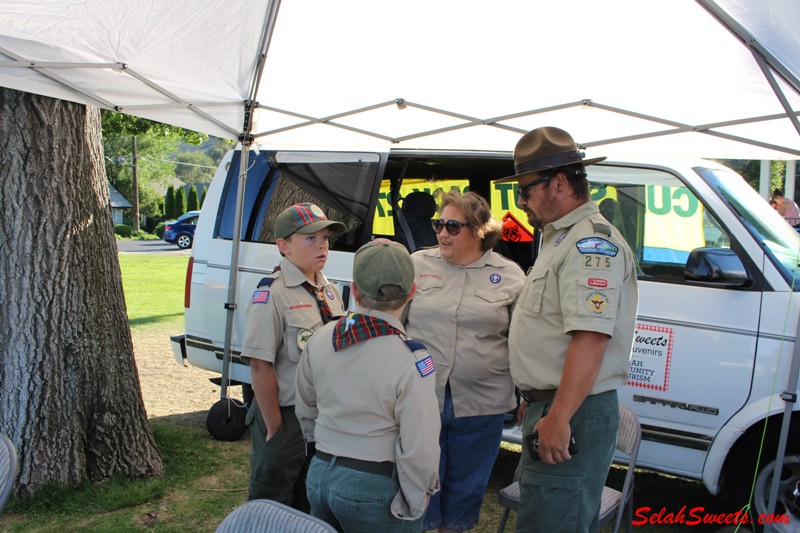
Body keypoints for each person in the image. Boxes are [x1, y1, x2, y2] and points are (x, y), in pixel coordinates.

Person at [500, 127, 639, 532]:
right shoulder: (561, 239)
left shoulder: (589, 244)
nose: (521, 201)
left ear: (559, 184)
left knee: (553, 521)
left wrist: (559, 415)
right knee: (547, 514)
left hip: (572, 412)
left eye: (524, 191)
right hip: (557, 405)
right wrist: (539, 396)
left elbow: (591, 338)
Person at [296, 239, 441, 533]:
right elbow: (420, 442)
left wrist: (325, 447)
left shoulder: (321, 338)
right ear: (412, 291)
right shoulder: (411, 358)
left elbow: (305, 409)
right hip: (374, 484)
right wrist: (418, 495)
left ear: (356, 289)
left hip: (321, 472)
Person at [404, 191, 524, 533]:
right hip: (422, 397)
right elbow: (394, 328)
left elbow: (523, 343)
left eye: (453, 226)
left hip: (481, 403)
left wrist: (528, 393)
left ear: (479, 231)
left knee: (466, 491)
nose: (442, 233)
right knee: (420, 483)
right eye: (438, 224)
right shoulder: (417, 264)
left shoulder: (512, 276)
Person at [240, 202, 346, 510]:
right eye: (310, 238)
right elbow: (260, 366)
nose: (322, 245)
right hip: (285, 415)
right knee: (272, 497)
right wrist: (273, 426)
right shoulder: (272, 293)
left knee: (310, 496)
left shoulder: (329, 291)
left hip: (321, 415)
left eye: (325, 237)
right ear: (283, 246)